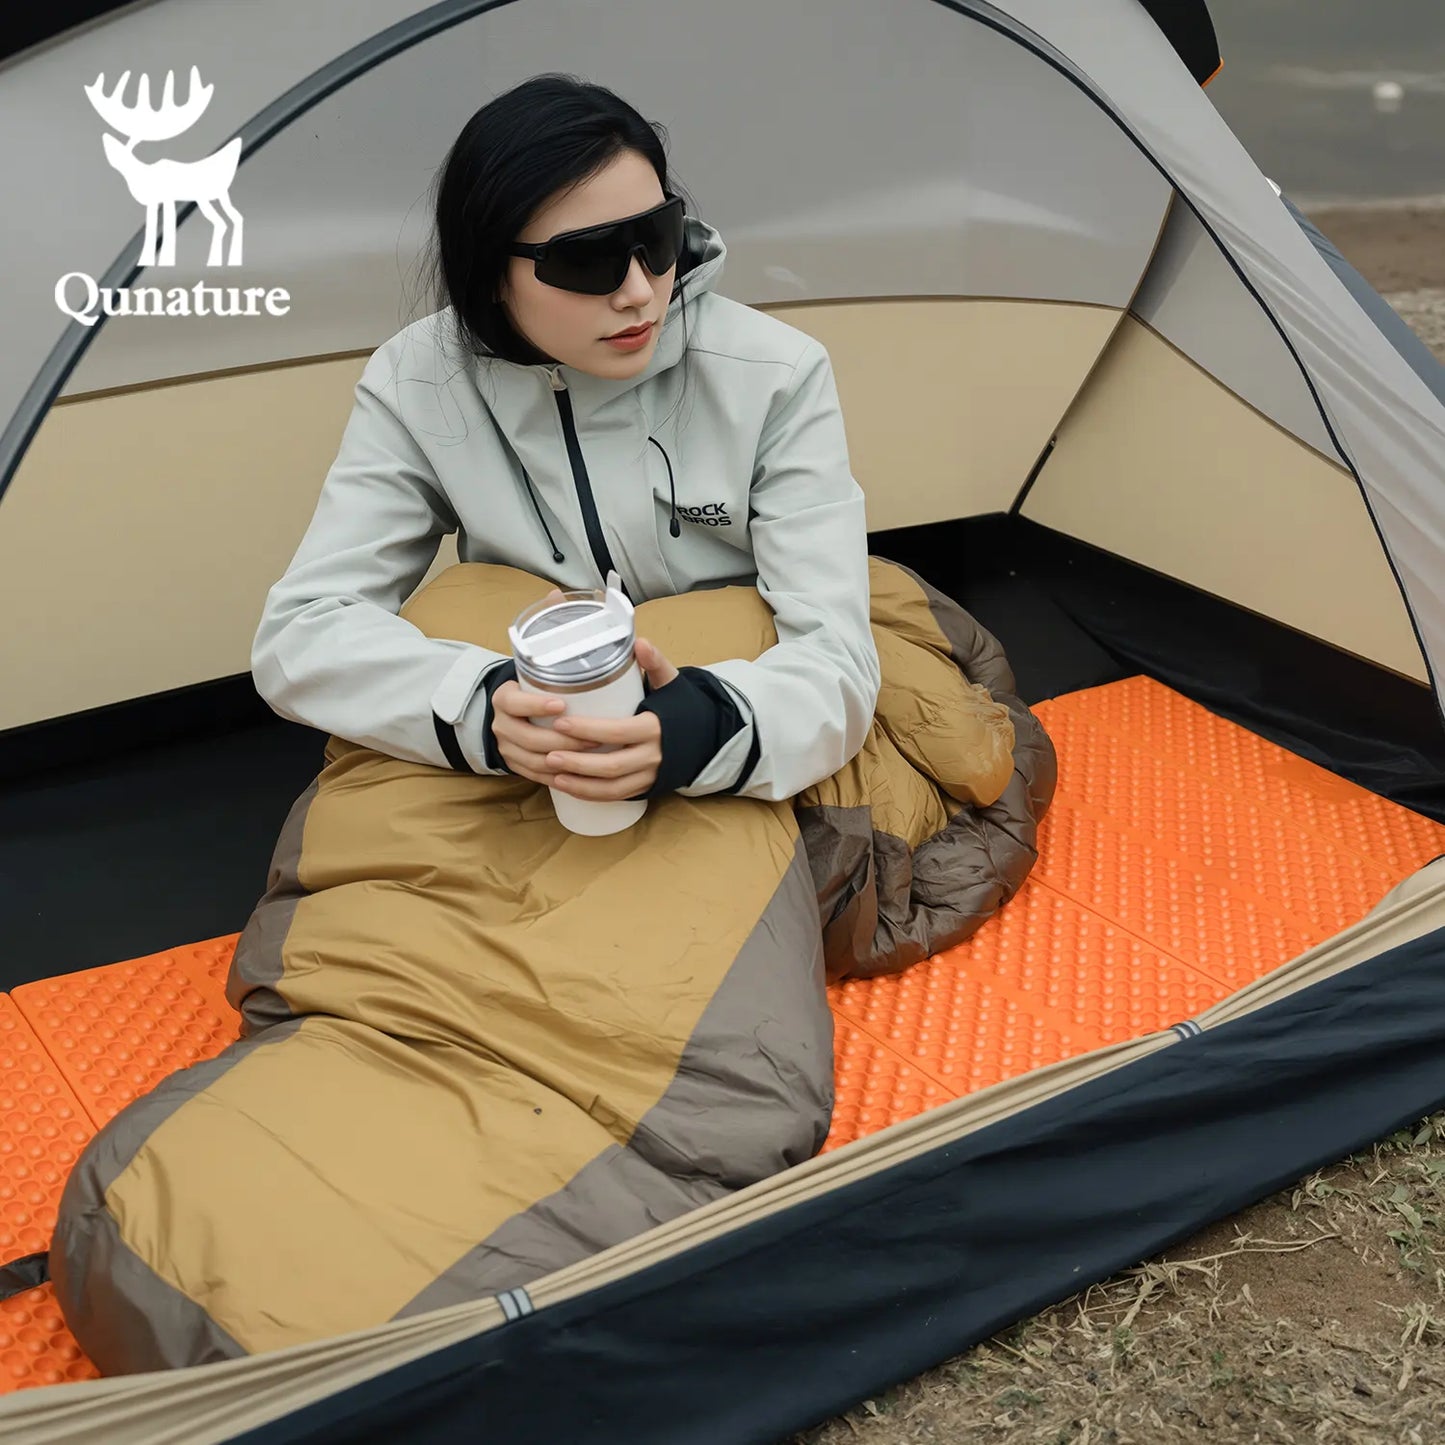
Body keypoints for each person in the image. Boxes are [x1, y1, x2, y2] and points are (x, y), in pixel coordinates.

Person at [250, 73, 880, 803]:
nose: (639, 290)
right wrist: (484, 708)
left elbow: (836, 656)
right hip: (535, 734)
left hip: (733, 722)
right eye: (588, 259)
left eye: (657, 239)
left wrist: (697, 730)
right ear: (489, 271)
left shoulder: (775, 373)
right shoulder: (416, 382)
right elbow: (300, 634)